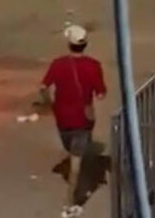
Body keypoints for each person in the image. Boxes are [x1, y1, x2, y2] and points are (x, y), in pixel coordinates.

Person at [40, 25, 106, 213]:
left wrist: (50, 104)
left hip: (62, 118)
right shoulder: (93, 66)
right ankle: (70, 203)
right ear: (85, 44)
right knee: (76, 161)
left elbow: (43, 87)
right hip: (83, 120)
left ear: (69, 44)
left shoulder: (58, 64)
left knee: (71, 150)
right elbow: (101, 94)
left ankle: (72, 192)